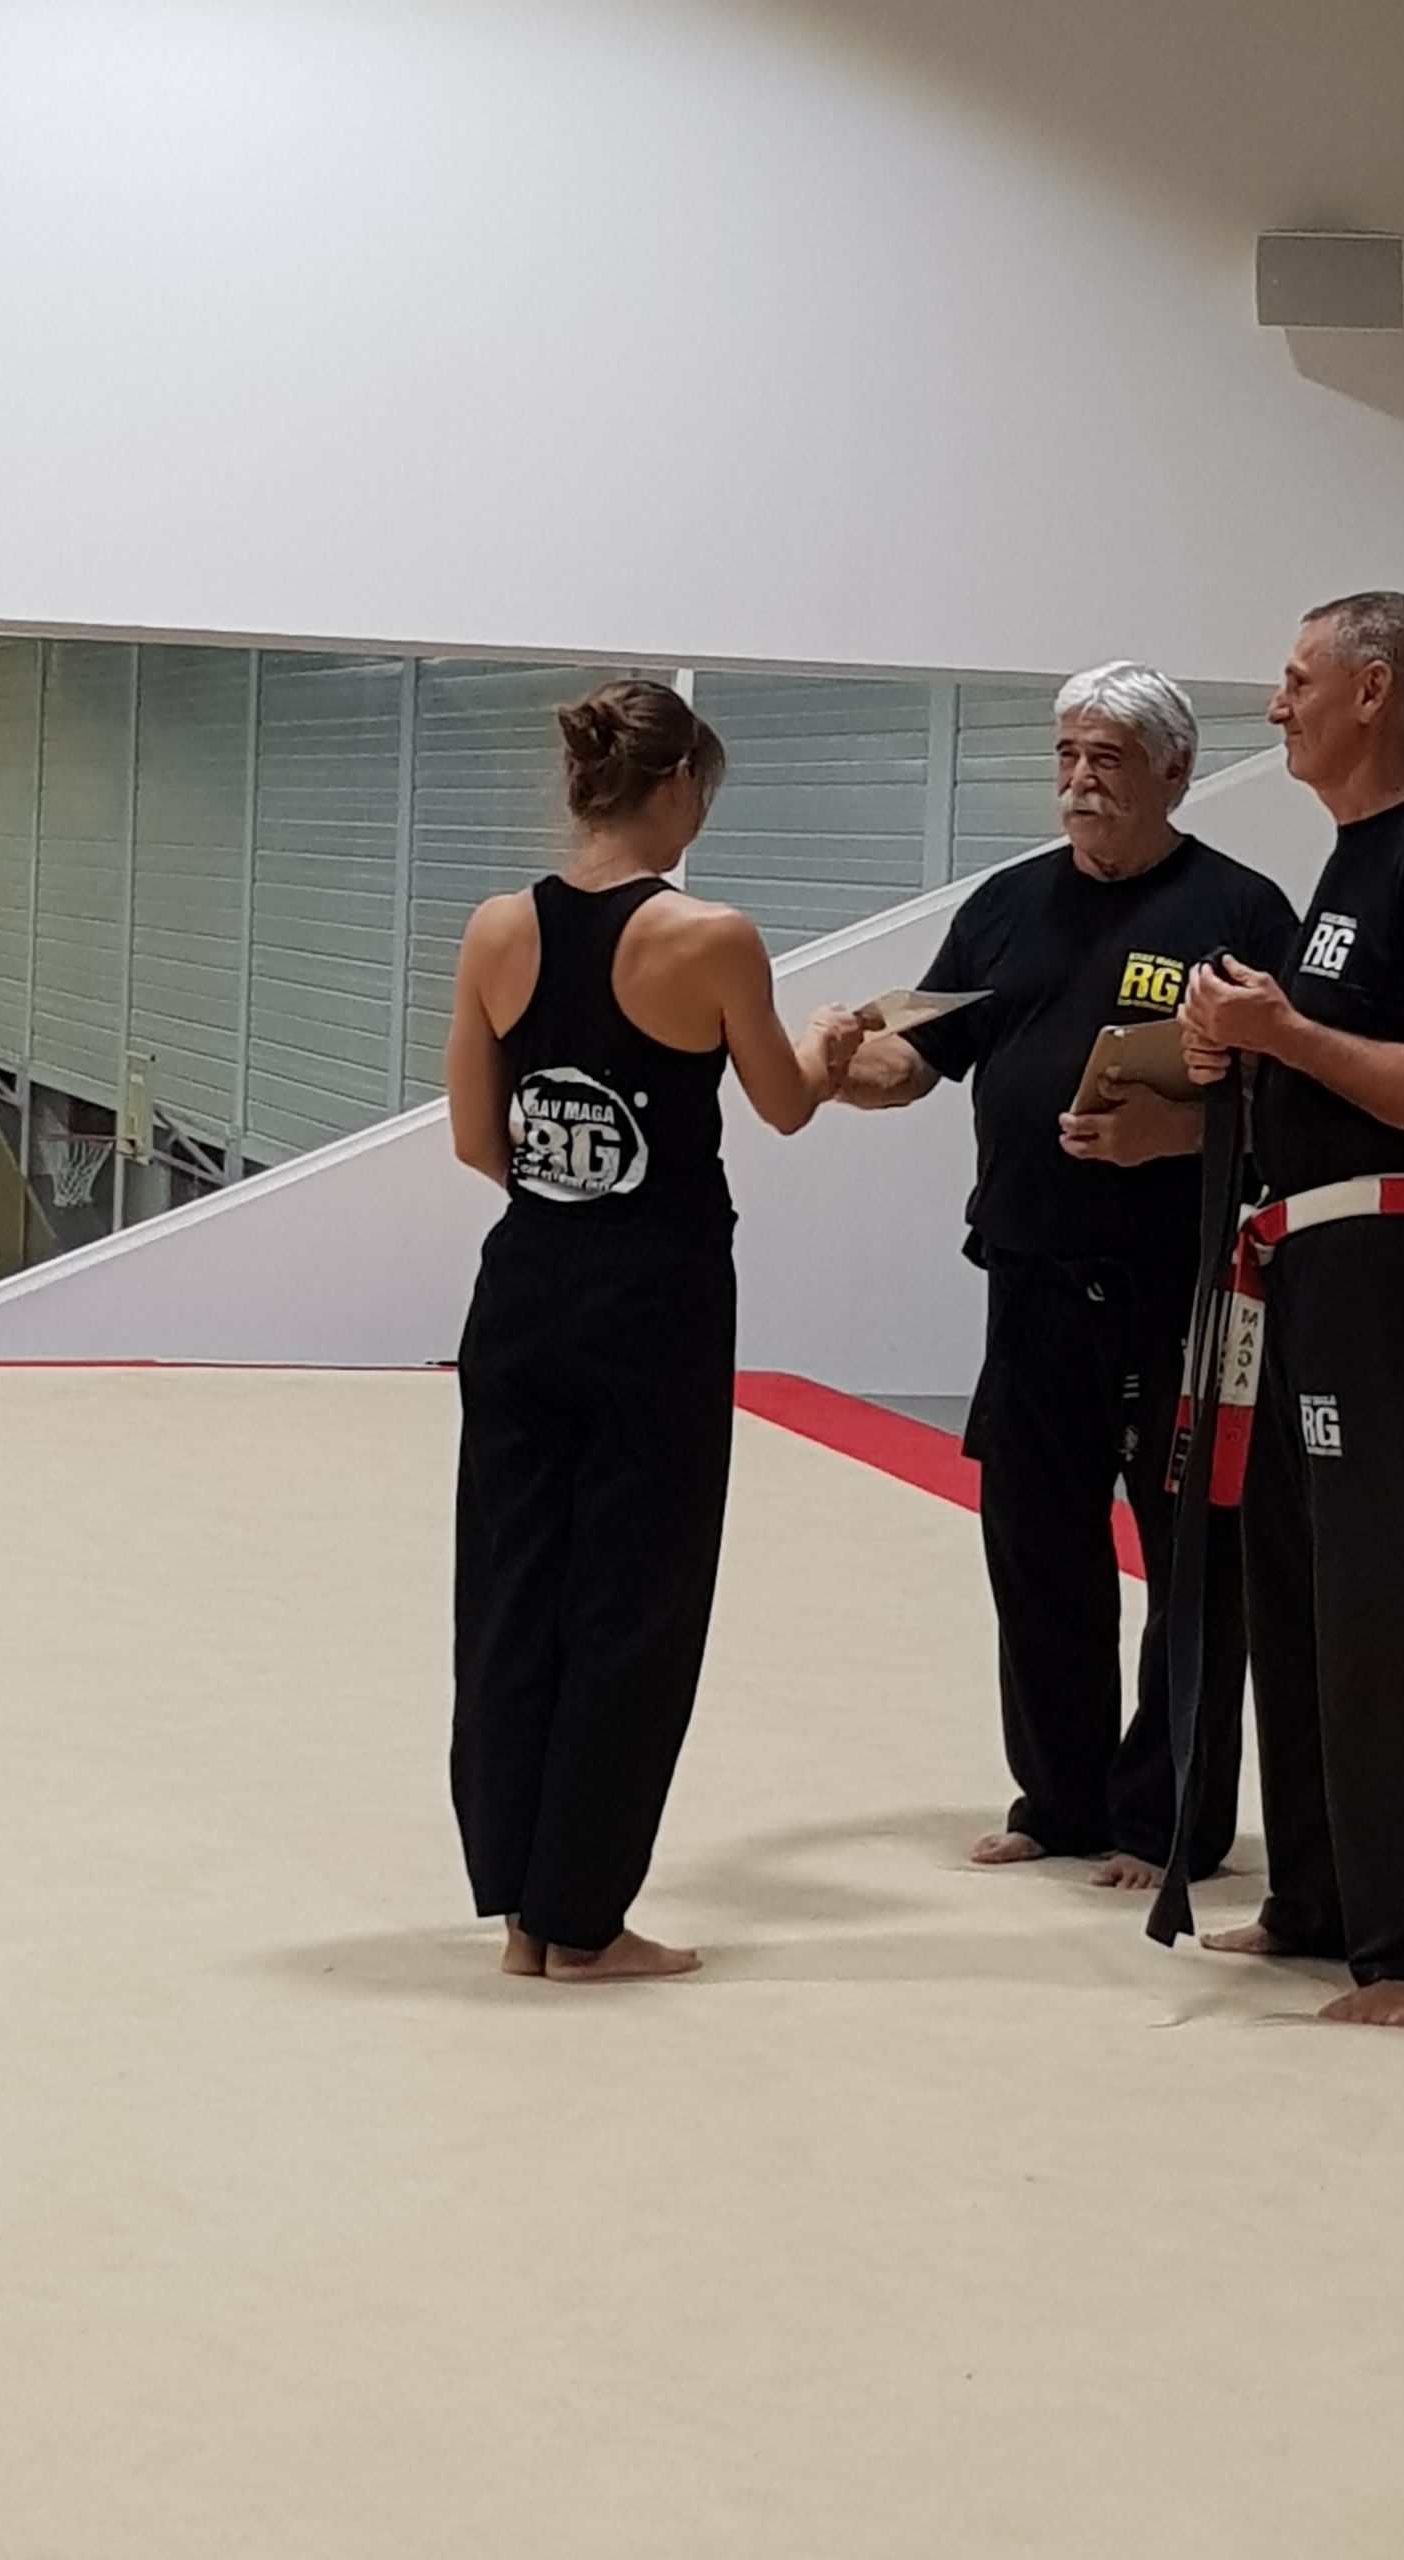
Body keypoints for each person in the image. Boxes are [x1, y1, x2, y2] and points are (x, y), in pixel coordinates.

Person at [835, 663, 1298, 1888]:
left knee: (1188, 1562)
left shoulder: (1240, 913)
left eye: (1107, 758)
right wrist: (832, 1070)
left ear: (1174, 772)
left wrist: (1174, 1137)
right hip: (1032, 1281)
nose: (1079, 780)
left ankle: (1168, 1819)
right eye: (1066, 755)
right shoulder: (1006, 905)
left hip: (1180, 1292)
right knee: (1037, 1552)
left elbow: (1299, 1107)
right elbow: (915, 1060)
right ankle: (1059, 1796)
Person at [445, 678, 863, 1984]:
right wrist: (831, 1043)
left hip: (524, 1292)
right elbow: (785, 1102)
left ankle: (522, 1911)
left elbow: (477, 1139)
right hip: (656, 1303)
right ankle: (586, 1919)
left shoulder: (498, 928)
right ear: (678, 786)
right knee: (635, 1602)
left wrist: (568, 1193)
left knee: (513, 1591)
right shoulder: (712, 936)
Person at [1179, 592, 1404, 2027]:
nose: (1277, 705)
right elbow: (1342, 1058)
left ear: (1373, 690)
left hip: (1391, 1271)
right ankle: (1324, 1895)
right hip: (1304, 1263)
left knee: (1384, 1591)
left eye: (1296, 679)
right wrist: (1245, 1047)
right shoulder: (1351, 861)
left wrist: (1284, 1032)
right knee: (1297, 1586)